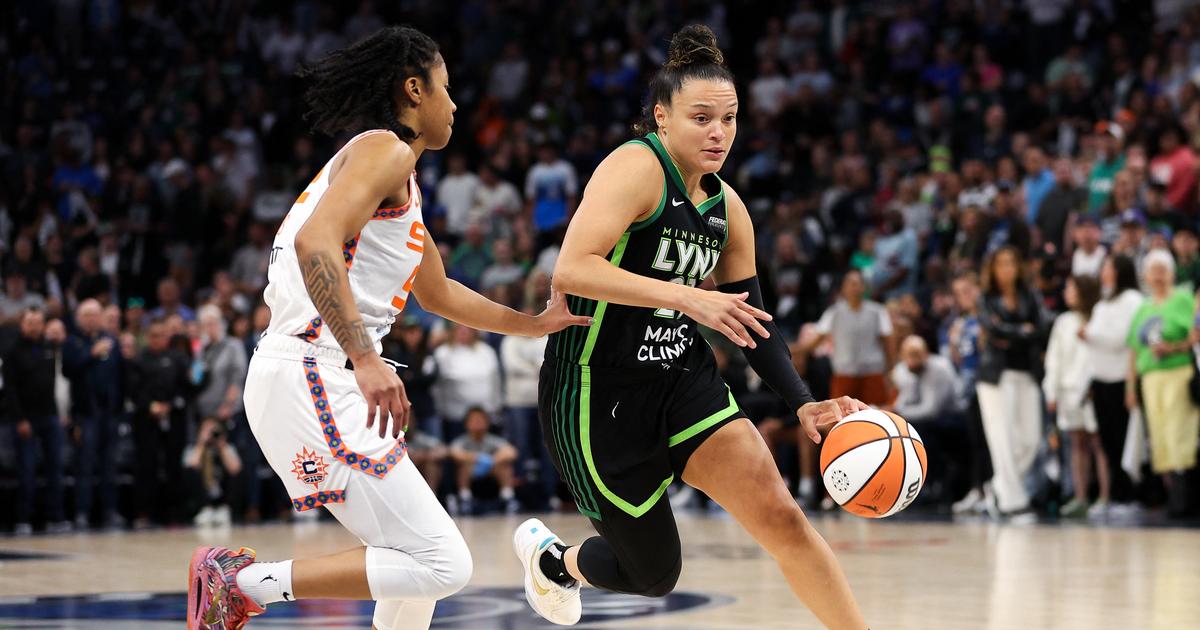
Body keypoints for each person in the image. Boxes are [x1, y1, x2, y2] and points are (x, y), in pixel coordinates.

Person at [187, 27, 588, 630]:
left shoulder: (395, 178)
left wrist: (536, 325)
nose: (453, 104)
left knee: (414, 564)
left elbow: (440, 292)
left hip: (311, 370)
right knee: (443, 563)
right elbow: (312, 241)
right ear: (413, 89)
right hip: (313, 368)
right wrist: (365, 357)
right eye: (446, 89)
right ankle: (242, 583)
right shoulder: (385, 149)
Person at [514, 26, 866, 629]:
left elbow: (750, 322)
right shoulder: (636, 166)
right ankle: (556, 562)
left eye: (729, 119)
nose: (718, 132)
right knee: (653, 575)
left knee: (783, 518)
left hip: (683, 380)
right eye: (701, 117)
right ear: (661, 117)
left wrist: (804, 403)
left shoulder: (728, 207)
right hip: (598, 390)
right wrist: (688, 298)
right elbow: (572, 268)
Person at [975, 246, 1048, 522]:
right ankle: (1011, 503)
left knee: (1030, 440)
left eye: (1011, 263)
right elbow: (992, 329)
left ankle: (997, 487)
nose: (1006, 269)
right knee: (1002, 439)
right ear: (992, 269)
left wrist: (1011, 331)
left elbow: (1040, 328)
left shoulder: (1030, 296)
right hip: (995, 375)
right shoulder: (986, 298)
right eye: (1001, 264)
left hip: (1026, 371)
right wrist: (1022, 330)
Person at [1126, 249, 1199, 517]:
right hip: (1150, 377)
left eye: (1162, 269)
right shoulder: (1143, 307)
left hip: (1177, 373)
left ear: (1172, 273)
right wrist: (1130, 386)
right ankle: (1170, 497)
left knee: (1179, 432)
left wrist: (1173, 347)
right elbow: (1134, 349)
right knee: (1158, 437)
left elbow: (1195, 337)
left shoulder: (1184, 300)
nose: (1157, 276)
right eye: (1153, 270)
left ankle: (1184, 500)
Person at [1042, 275, 1106, 518]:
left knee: (1099, 444)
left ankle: (1105, 497)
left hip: (1092, 390)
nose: (1067, 292)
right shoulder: (1063, 322)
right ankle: (1080, 496)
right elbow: (1054, 359)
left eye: (1071, 287)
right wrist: (1052, 391)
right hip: (1069, 392)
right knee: (1076, 444)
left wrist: (1094, 383)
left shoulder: (1099, 317)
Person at [1082, 255, 1143, 511]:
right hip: (1100, 379)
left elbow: (1121, 338)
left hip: (1121, 379)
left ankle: (1130, 496)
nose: (1104, 271)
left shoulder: (1133, 301)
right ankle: (1115, 496)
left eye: (1108, 266)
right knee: (1106, 441)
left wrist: (1090, 334)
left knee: (1123, 439)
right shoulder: (1102, 304)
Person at [3, 309, 70, 535]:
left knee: (55, 469)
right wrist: (20, 419)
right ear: (22, 324)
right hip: (26, 419)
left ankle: (56, 517)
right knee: (27, 471)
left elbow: (60, 381)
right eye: (30, 322)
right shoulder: (12, 352)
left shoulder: (50, 348)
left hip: (50, 416)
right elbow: (10, 390)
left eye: (38, 322)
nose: (34, 326)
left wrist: (60, 413)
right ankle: (24, 519)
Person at [62, 299, 124, 530]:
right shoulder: (73, 342)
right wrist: (91, 353)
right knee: (85, 465)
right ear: (79, 318)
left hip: (109, 413)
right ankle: (82, 512)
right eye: (86, 315)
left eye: (94, 314)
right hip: (86, 414)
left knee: (110, 465)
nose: (90, 319)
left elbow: (121, 376)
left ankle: (110, 511)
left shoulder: (112, 342)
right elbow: (68, 369)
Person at [805, 269, 895, 407]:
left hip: (872, 372)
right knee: (840, 418)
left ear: (864, 287)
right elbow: (816, 341)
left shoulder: (878, 311)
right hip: (844, 373)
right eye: (850, 284)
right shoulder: (833, 312)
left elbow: (888, 343)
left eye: (857, 283)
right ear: (843, 288)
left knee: (876, 416)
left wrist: (891, 369)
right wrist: (796, 350)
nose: (854, 287)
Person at [448, 407, 520, 514]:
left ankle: (508, 498)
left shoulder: (494, 439)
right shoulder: (461, 440)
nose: (477, 423)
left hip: (492, 470)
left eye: (480, 420)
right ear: (466, 423)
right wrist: (476, 458)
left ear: (487, 423)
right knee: (463, 466)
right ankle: (465, 499)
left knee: (505, 466)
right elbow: (454, 453)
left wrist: (491, 460)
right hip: (471, 471)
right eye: (474, 420)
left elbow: (512, 452)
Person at [184, 417, 244, 528]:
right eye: (207, 430)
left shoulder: (227, 447)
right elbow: (191, 466)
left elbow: (235, 469)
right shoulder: (194, 447)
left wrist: (222, 446)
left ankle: (224, 509)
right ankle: (205, 509)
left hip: (223, 493)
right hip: (203, 495)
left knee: (237, 474)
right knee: (190, 473)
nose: (211, 434)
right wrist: (201, 444)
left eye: (214, 430)